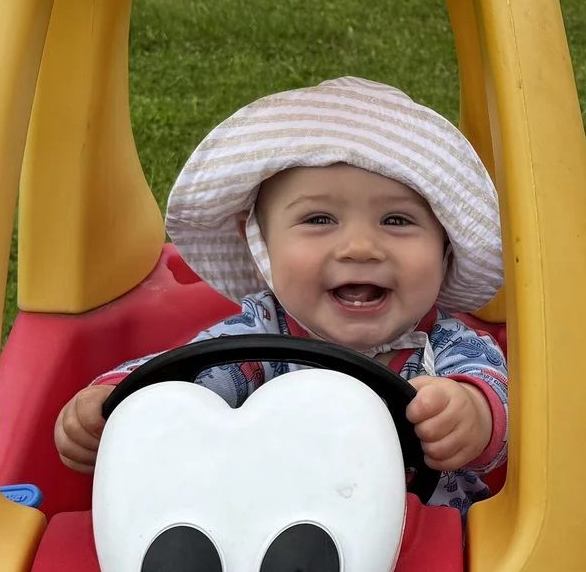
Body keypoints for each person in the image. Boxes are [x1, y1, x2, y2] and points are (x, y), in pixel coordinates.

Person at [54, 77, 508, 510]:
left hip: (431, 552)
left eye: (397, 221)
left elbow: (498, 407)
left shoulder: (449, 348)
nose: (360, 248)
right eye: (318, 220)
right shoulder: (257, 338)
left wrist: (469, 414)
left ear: (445, 249)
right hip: (262, 553)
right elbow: (185, 379)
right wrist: (116, 402)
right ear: (261, 246)